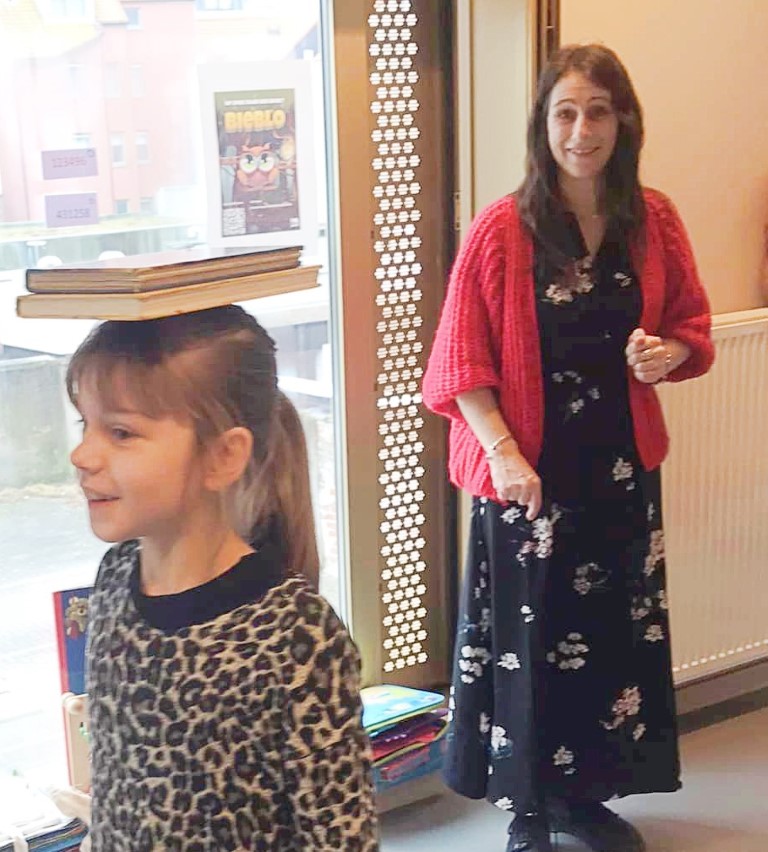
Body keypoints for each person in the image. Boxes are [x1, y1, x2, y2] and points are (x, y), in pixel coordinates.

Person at [422, 44, 714, 852]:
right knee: (529, 645)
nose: (582, 131)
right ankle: (528, 809)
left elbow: (690, 327)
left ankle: (584, 800)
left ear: (624, 122)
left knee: (610, 639)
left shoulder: (654, 219)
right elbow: (458, 363)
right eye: (566, 113)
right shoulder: (502, 230)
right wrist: (503, 454)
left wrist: (667, 355)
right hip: (530, 476)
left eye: (598, 112)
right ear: (543, 126)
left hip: (619, 472)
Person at [67, 306, 380, 851]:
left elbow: (341, 837)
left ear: (222, 455)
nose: (82, 454)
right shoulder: (115, 577)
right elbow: (116, 790)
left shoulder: (295, 634)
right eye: (84, 425)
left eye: (120, 432)